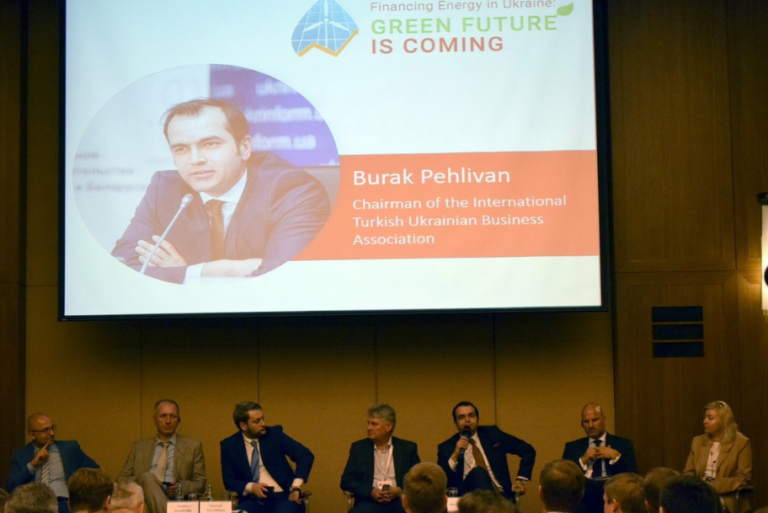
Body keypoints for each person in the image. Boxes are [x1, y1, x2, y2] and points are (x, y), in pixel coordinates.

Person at [112, 98, 331, 284]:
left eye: (210, 144)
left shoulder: (291, 188)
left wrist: (182, 274)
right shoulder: (166, 189)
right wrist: (209, 271)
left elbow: (284, 280)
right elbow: (121, 268)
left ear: (244, 148)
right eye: (181, 149)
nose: (195, 159)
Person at [220, 401, 314, 513]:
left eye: (263, 419)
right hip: (252, 500)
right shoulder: (229, 445)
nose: (263, 423)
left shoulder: (274, 435)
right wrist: (251, 487)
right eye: (257, 421)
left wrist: (296, 487)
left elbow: (305, 455)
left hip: (283, 497)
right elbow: (229, 480)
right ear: (243, 426)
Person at [118, 400, 206, 513]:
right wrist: (146, 482)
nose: (168, 421)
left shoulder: (193, 446)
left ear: (178, 420)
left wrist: (180, 487)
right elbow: (121, 480)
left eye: (172, 416)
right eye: (163, 416)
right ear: (154, 419)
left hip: (177, 501)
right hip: (144, 501)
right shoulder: (139, 447)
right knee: (147, 477)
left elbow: (200, 484)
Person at [437, 401, 535, 499]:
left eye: (471, 416)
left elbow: (528, 450)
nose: (467, 420)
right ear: (456, 424)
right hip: (466, 499)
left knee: (480, 473)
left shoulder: (493, 435)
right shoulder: (446, 447)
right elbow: (441, 481)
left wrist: (520, 480)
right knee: (478, 472)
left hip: (500, 495)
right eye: (462, 417)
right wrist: (455, 455)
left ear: (478, 420)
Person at [7, 414, 99, 513]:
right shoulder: (21, 454)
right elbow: (12, 487)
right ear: (32, 434)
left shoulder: (70, 449)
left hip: (62, 503)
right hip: (34, 505)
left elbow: (96, 471)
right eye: (45, 430)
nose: (52, 433)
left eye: (52, 428)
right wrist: (33, 464)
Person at [341, 404, 421, 513]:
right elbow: (346, 481)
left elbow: (418, 481)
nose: (369, 428)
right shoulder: (359, 448)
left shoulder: (407, 448)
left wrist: (401, 491)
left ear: (388, 427)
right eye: (368, 423)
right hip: (368, 501)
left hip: (399, 501)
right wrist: (371, 491)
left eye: (374, 424)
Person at [562, 403, 637, 513]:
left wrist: (615, 457)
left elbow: (633, 478)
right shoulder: (572, 447)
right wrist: (582, 460)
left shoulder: (623, 444)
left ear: (604, 419)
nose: (591, 425)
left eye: (595, 420)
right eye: (586, 422)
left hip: (613, 496)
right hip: (583, 499)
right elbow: (564, 479)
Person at [682, 400, 751, 513]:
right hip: (699, 493)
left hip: (727, 496)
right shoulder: (697, 441)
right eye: (705, 417)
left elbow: (742, 478)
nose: (705, 421)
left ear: (724, 421)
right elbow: (688, 472)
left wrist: (713, 486)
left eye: (710, 418)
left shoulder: (741, 443)